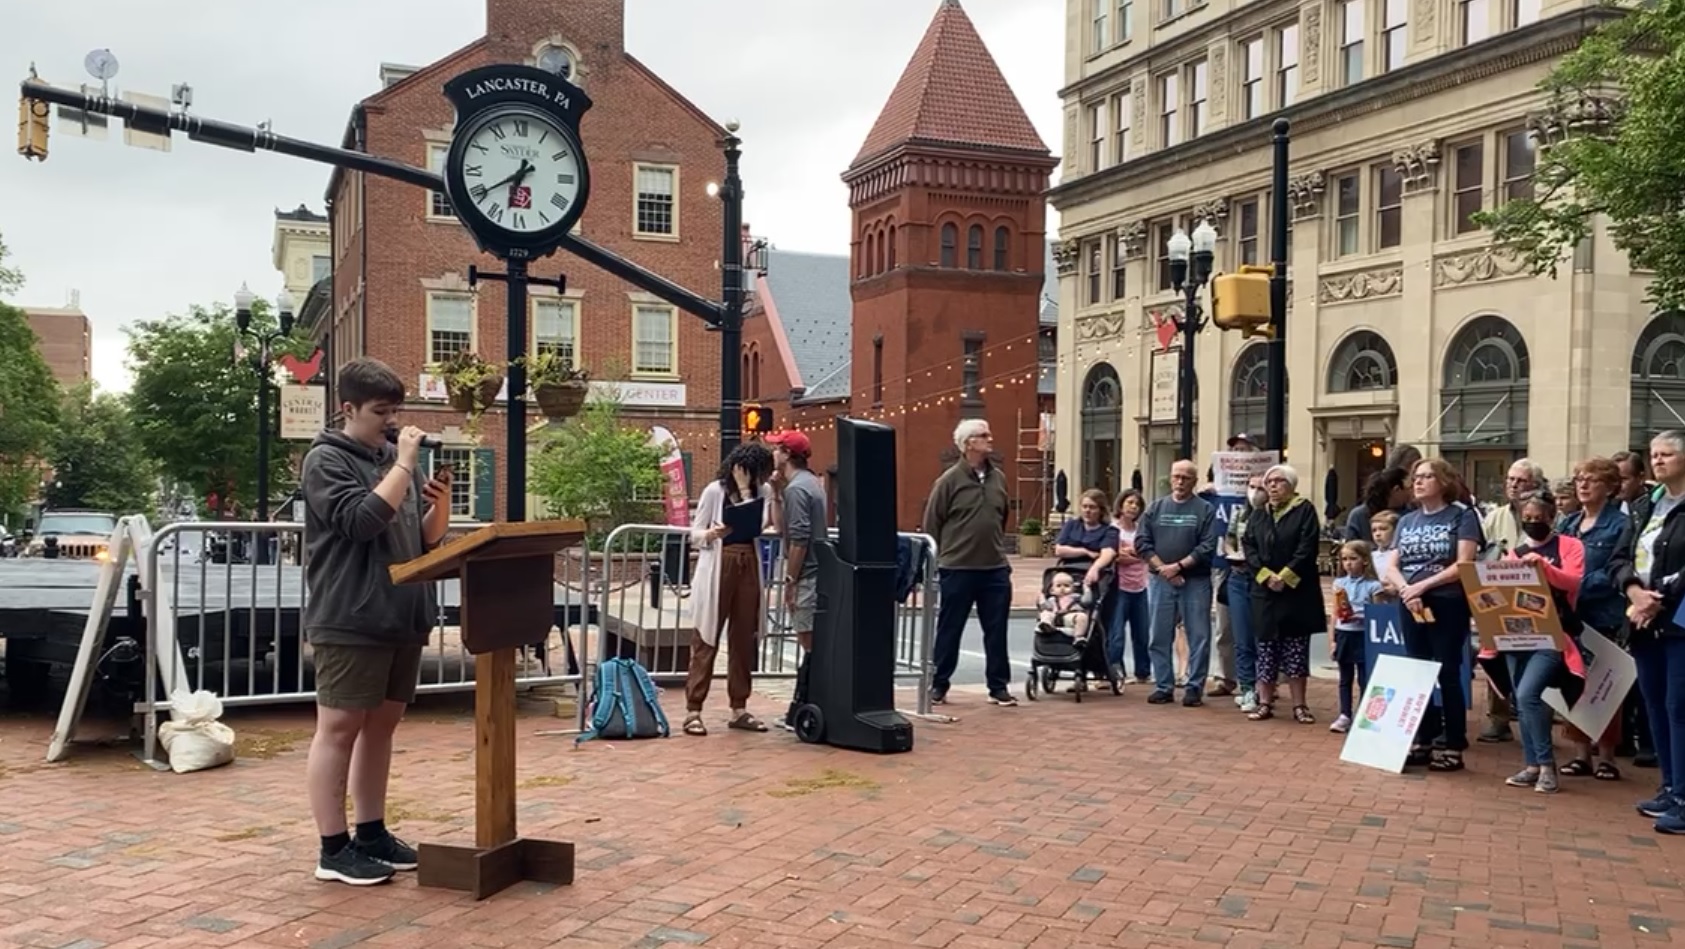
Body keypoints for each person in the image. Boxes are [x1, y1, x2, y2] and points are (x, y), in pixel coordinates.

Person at [300, 357, 452, 886]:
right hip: (351, 613)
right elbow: (362, 522)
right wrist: (404, 466)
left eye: (395, 411)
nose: (390, 422)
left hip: (402, 612)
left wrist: (441, 506)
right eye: (380, 412)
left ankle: (371, 831)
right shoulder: (325, 460)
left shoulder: (394, 461)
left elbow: (426, 541)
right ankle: (332, 847)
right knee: (339, 727)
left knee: (382, 726)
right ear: (348, 408)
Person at [1385, 458, 1483, 772]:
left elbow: (1463, 564)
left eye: (1427, 476)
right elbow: (1391, 565)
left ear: (1443, 481)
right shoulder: (1407, 521)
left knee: (1446, 672)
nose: (1419, 481)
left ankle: (1453, 744)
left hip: (1446, 600)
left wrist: (1422, 587)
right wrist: (1406, 591)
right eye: (1416, 477)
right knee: (1417, 670)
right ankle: (1422, 740)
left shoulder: (1462, 516)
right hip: (1409, 602)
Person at [682, 442, 777, 737]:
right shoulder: (715, 491)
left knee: (743, 637)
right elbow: (694, 534)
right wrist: (711, 533)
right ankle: (694, 709)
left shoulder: (763, 492)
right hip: (720, 562)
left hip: (748, 561)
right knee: (707, 636)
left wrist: (749, 493)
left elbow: (762, 524)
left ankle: (739, 705)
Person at [1496, 490, 1584, 794]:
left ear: (1552, 517)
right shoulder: (1515, 551)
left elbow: (1573, 582)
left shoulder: (1569, 546)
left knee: (1528, 694)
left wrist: (1543, 567)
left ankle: (1546, 766)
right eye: (1527, 519)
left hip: (1553, 633)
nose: (1533, 523)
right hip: (1516, 633)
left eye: (1539, 518)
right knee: (1522, 701)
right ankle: (1532, 765)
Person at [925, 419, 1017, 707]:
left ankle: (998, 686)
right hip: (958, 567)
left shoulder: (998, 478)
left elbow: (1002, 518)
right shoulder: (948, 480)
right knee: (950, 627)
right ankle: (939, 684)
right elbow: (932, 522)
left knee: (997, 629)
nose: (990, 438)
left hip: (994, 568)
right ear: (968, 444)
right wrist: (940, 559)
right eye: (983, 435)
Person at [1621, 430, 1685, 832]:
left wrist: (1657, 598)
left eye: (1667, 454)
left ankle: (1683, 796)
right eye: (1654, 455)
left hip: (1678, 620)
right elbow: (1620, 557)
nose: (1658, 460)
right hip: (1642, 619)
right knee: (1655, 702)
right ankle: (1668, 785)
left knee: (1680, 706)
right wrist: (1632, 590)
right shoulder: (1647, 506)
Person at [1558, 457, 1636, 781]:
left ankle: (1606, 756)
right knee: (1573, 679)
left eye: (1591, 480)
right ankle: (1580, 753)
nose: (1583, 485)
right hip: (1569, 615)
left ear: (1609, 486)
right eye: (1579, 479)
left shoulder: (1620, 524)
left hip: (1602, 612)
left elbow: (1617, 569)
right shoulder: (1567, 524)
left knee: (1605, 681)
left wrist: (1577, 586)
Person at [1242, 464, 1327, 724]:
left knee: (1295, 651)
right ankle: (1264, 702)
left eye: (1279, 481)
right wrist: (1266, 576)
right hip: (1265, 593)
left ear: (1291, 485)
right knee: (1266, 648)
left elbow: (1307, 547)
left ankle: (1299, 705)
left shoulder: (1304, 511)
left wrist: (1286, 576)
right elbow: (1249, 546)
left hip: (1296, 592)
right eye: (1270, 482)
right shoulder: (1258, 514)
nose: (1273, 486)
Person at [1135, 459, 1221, 706]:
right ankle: (1164, 686)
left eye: (1186, 477)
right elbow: (1142, 542)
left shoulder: (1205, 510)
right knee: (1159, 636)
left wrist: (1180, 566)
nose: (1180, 481)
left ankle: (1194, 687)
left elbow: (1207, 546)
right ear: (1170, 478)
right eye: (1176, 476)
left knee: (1199, 637)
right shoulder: (1155, 508)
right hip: (1161, 581)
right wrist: (1164, 569)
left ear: (1194, 481)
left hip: (1196, 581)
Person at [1477, 459, 1548, 744]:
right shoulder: (1495, 517)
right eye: (1510, 479)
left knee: (1538, 662)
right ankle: (1498, 718)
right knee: (1494, 655)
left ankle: (1538, 723)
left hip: (1535, 599)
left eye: (1521, 480)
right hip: (1499, 596)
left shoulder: (1544, 513)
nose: (1514, 484)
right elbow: (1485, 552)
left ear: (1535, 485)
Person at [768, 430, 827, 730]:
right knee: (811, 644)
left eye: (778, 448)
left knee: (810, 644)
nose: (773, 453)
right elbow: (782, 528)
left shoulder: (798, 490)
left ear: (788, 454)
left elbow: (799, 540)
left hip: (808, 576)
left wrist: (790, 580)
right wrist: (777, 493)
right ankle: (803, 705)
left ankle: (807, 704)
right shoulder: (808, 485)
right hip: (815, 573)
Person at [1224, 476, 1267, 713]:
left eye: (1261, 487)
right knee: (1242, 638)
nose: (1256, 492)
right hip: (1238, 576)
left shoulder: (1272, 516)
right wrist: (1233, 553)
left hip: (1261, 579)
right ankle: (1247, 688)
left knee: (1262, 637)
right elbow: (1228, 542)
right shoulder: (1239, 513)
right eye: (1252, 487)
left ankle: (1264, 688)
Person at [1331, 540, 1382, 734]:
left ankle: (1364, 713)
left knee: (1364, 677)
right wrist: (1332, 641)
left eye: (1353, 558)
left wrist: (1360, 616)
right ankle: (1344, 714)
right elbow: (1335, 614)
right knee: (1345, 677)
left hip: (1363, 635)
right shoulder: (1339, 584)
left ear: (1365, 561)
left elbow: (1378, 615)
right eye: (1344, 559)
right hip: (1344, 634)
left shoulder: (1373, 586)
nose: (1348, 563)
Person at [1110, 490, 1152, 684]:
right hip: (1119, 587)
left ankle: (1143, 673)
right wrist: (1125, 555)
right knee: (1116, 634)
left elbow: (1147, 552)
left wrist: (1131, 553)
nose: (1133, 507)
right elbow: (1114, 556)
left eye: (1137, 504)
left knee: (1142, 633)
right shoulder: (1114, 530)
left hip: (1140, 587)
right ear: (1120, 505)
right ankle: (1115, 671)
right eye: (1129, 502)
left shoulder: (1141, 530)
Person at [1036, 572, 1089, 645]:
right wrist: (1041, 598)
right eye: (1058, 586)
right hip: (1054, 618)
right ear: (1052, 590)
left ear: (1073, 588)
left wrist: (1086, 589)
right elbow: (1045, 607)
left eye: (1066, 586)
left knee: (1082, 617)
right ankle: (1046, 625)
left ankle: (1078, 636)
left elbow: (1087, 601)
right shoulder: (1052, 600)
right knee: (1045, 613)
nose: (1062, 588)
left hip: (1069, 618)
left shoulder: (1076, 597)